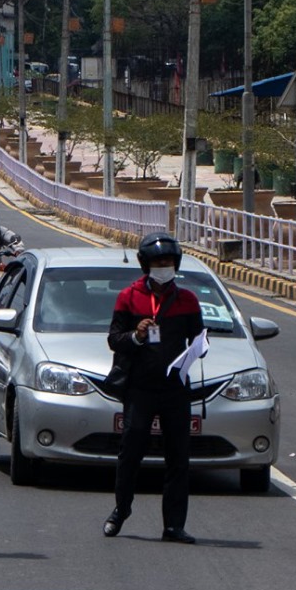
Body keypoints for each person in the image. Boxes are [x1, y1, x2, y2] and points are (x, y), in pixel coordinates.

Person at [104, 232, 206, 545]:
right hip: (140, 388)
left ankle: (174, 525)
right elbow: (114, 340)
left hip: (175, 388)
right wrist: (136, 335)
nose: (164, 267)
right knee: (130, 452)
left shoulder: (187, 300)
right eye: (158, 263)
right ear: (146, 265)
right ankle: (121, 509)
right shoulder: (129, 297)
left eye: (168, 263)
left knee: (178, 458)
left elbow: (198, 339)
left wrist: (199, 349)